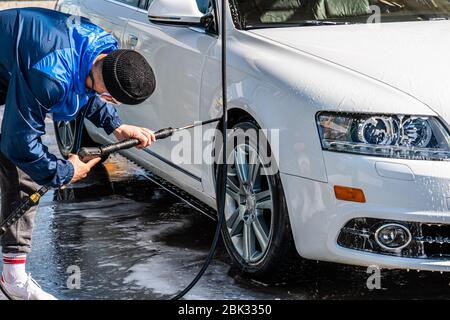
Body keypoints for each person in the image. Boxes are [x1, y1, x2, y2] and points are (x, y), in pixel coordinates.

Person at [0, 7, 157, 300]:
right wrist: (66, 172)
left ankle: (13, 278)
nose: (106, 102)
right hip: (15, 64)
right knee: (24, 158)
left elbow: (85, 87)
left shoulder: (100, 49)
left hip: (14, 64)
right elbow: (19, 145)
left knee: (26, 168)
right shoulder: (50, 74)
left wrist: (116, 125)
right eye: (111, 100)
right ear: (107, 89)